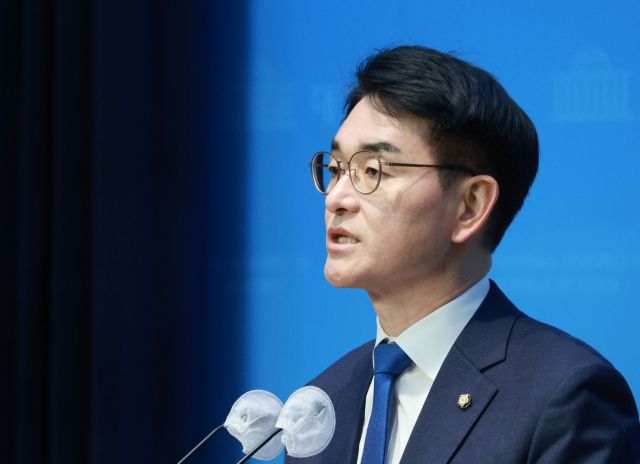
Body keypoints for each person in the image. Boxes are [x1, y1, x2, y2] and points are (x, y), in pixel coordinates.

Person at [288, 46, 640, 463]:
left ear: (470, 206)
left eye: (373, 171)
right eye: (335, 169)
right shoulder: (320, 405)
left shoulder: (564, 397)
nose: (336, 198)